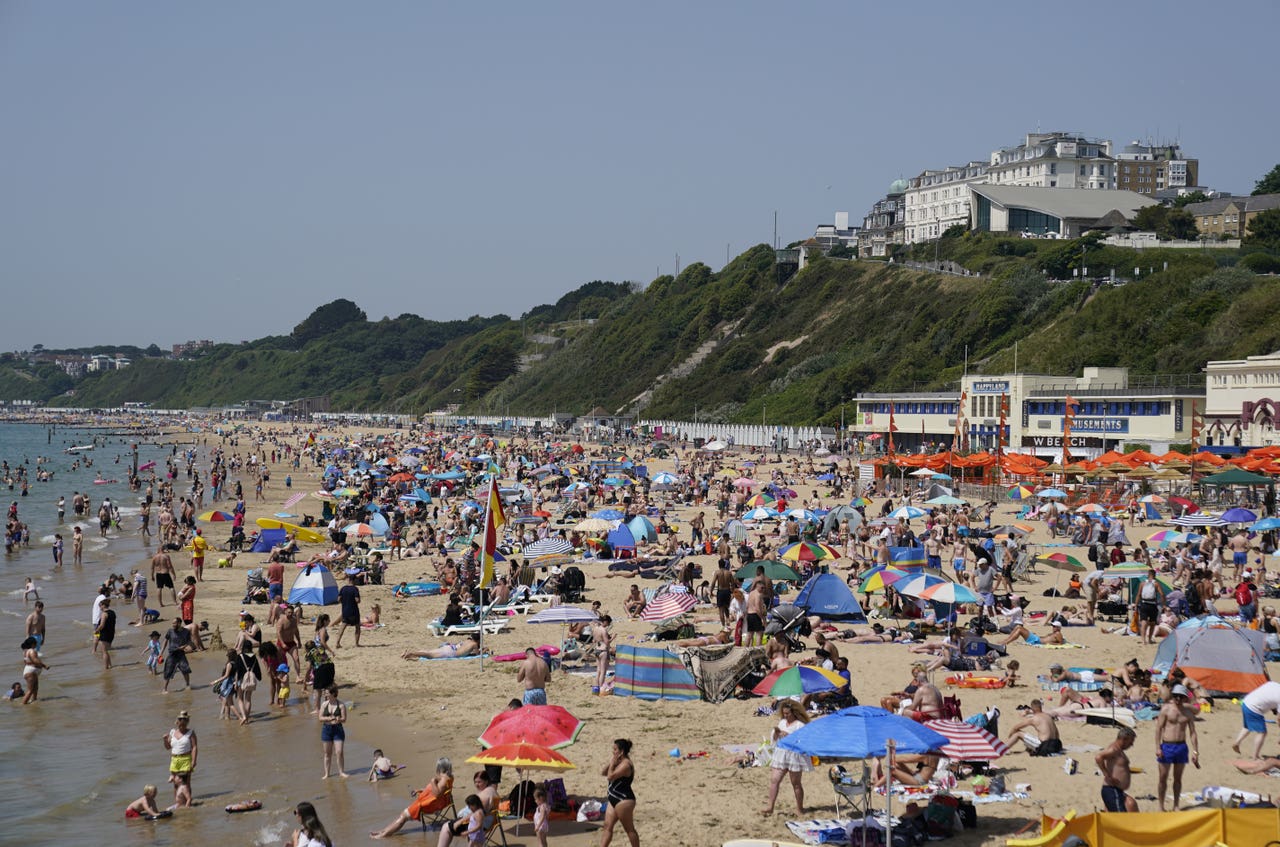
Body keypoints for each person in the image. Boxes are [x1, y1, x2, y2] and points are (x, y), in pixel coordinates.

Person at [371, 756, 454, 837]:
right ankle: (384, 831)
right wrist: (419, 790)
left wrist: (433, 782)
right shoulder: (448, 777)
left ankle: (383, 834)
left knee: (403, 817)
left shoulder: (443, 779)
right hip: (433, 802)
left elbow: (437, 794)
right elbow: (436, 790)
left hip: (429, 805)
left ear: (440, 767)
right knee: (402, 815)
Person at [762, 700, 811, 817]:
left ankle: (799, 808)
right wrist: (776, 733)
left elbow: (803, 741)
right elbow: (774, 739)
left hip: (794, 756)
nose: (785, 715)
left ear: (794, 713)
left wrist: (789, 736)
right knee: (774, 780)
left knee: (796, 783)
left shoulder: (800, 725)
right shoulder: (782, 722)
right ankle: (770, 807)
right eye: (784, 713)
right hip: (781, 754)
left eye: (787, 713)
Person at [1154, 684, 1199, 811]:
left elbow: (1193, 732)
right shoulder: (1166, 709)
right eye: (1176, 696)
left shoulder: (1188, 712)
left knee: (1177, 779)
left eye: (1180, 696)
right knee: (1163, 777)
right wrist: (1158, 747)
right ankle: (1161, 806)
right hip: (1167, 746)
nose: (1178, 699)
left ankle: (1176, 805)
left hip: (1181, 746)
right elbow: (1158, 729)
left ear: (1185, 698)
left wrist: (1196, 751)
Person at [438, 771, 498, 847]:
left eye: (479, 782)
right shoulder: (492, 790)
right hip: (487, 822)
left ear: (486, 781)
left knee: (446, 827)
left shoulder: (484, 795)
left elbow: (476, 813)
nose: (477, 784)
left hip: (478, 824)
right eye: (475, 782)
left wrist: (459, 822)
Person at [600, 738, 639, 847]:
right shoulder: (618, 761)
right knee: (607, 826)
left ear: (621, 751)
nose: (613, 751)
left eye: (615, 749)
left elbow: (610, 777)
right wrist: (611, 762)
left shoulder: (626, 764)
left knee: (629, 830)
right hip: (613, 799)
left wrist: (613, 764)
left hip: (624, 800)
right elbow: (603, 772)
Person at [1233, 680, 1280, 759]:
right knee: (1262, 732)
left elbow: (1268, 695)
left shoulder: (1274, 684)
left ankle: (1236, 743)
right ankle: (1255, 756)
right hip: (1254, 708)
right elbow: (1279, 719)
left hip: (1246, 702)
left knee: (1248, 727)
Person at [1097, 727, 1139, 812]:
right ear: (1124, 739)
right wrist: (1107, 775)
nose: (1131, 745)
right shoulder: (1114, 749)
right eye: (1130, 742)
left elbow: (1118, 766)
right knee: (1121, 816)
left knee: (1131, 804)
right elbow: (1098, 757)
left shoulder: (1119, 751)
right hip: (1111, 790)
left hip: (1118, 790)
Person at [163, 710, 197, 808]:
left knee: (186, 783)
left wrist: (194, 761)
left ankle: (188, 801)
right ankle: (178, 802)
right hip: (174, 760)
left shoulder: (190, 732)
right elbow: (168, 747)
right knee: (175, 783)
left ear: (187, 722)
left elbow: (194, 747)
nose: (183, 723)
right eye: (181, 720)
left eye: (185, 721)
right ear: (177, 722)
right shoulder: (172, 732)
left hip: (186, 758)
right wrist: (165, 740)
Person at [318, 685, 347, 779]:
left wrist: (339, 719)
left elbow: (344, 719)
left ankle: (341, 772)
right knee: (327, 753)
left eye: (327, 693)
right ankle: (327, 773)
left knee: (339, 752)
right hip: (326, 730)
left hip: (338, 730)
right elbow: (320, 718)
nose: (325, 694)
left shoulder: (341, 705)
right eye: (325, 692)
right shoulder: (324, 704)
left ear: (333, 693)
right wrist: (329, 718)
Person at [161, 618, 195, 693]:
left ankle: (187, 685)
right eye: (172, 623)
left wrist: (185, 646)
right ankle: (164, 689)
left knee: (185, 670)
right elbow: (165, 641)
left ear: (179, 623)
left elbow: (189, 641)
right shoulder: (170, 631)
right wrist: (161, 652)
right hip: (172, 654)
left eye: (174, 623)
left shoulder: (186, 632)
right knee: (168, 672)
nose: (173, 625)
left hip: (181, 654)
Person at [402, 633, 483, 660]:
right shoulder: (474, 644)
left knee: (429, 652)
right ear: (478, 640)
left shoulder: (468, 640)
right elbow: (477, 654)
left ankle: (411, 654)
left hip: (450, 647)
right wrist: (484, 650)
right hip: (452, 653)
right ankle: (411, 653)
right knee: (429, 655)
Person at [334, 574, 362, 649]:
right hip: (353, 610)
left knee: (342, 627)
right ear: (354, 580)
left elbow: (338, 599)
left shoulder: (343, 588)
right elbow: (357, 600)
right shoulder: (355, 589)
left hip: (345, 610)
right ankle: (356, 643)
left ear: (348, 579)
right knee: (357, 627)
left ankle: (337, 642)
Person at [20, 636, 48, 704]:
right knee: (30, 690)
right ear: (32, 644)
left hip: (31, 671)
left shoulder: (25, 651)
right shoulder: (32, 651)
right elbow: (35, 660)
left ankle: (34, 701)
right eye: (35, 643)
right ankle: (22, 704)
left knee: (35, 688)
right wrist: (44, 666)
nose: (36, 644)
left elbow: (26, 662)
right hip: (31, 673)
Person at [593, 614, 614, 695]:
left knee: (598, 671)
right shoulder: (603, 630)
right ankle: (601, 688)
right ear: (605, 622)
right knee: (603, 671)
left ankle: (595, 689)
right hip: (603, 650)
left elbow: (594, 641)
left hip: (596, 650)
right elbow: (607, 642)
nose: (607, 625)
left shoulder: (595, 628)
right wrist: (613, 638)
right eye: (608, 624)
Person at [94, 598, 116, 669]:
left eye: (100, 606)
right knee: (106, 651)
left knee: (104, 651)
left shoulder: (104, 614)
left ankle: (106, 667)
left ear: (103, 605)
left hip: (105, 634)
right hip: (111, 633)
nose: (100, 608)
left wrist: (97, 630)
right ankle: (110, 665)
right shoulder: (112, 612)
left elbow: (102, 625)